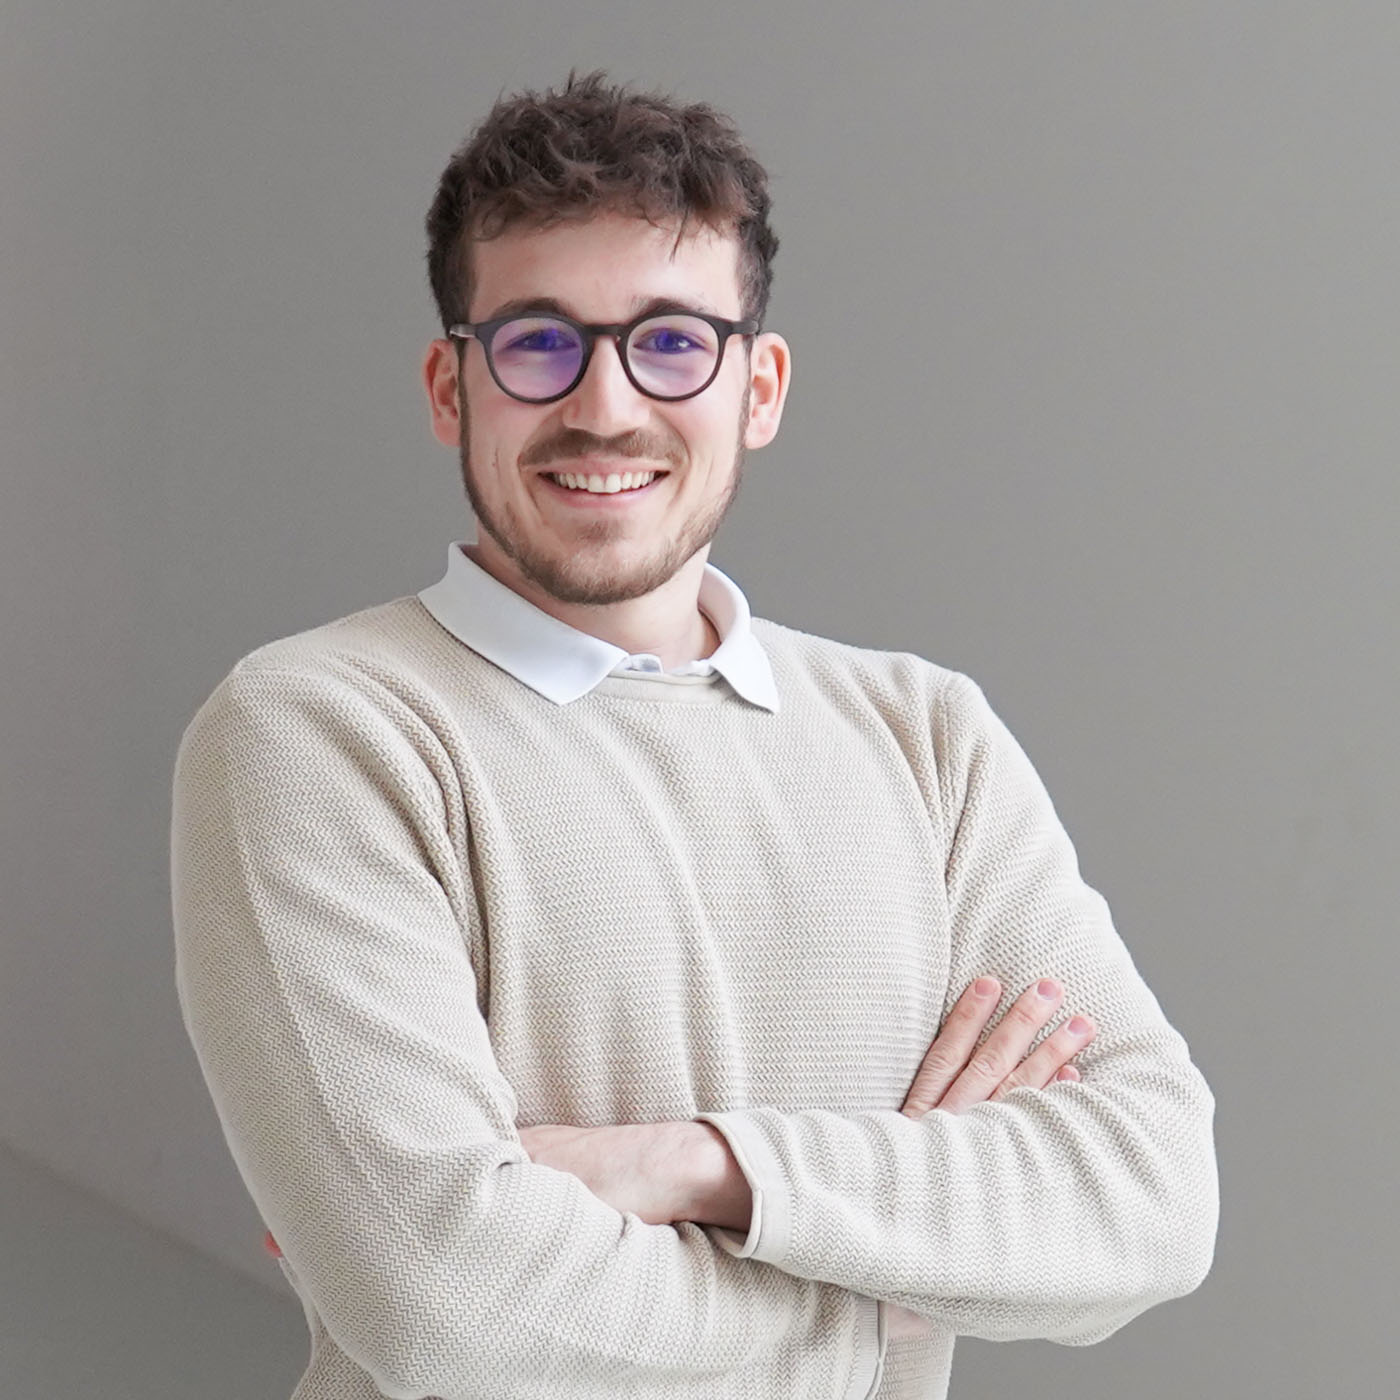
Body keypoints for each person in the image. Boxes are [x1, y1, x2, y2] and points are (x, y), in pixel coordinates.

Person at [170, 71, 1218, 1400]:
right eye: (538, 342)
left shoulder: (927, 740)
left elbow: (1152, 1193)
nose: (604, 406)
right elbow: (443, 1293)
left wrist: (694, 1165)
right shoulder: (321, 734)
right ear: (451, 387)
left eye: (671, 341)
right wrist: (884, 1300)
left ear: (758, 387)